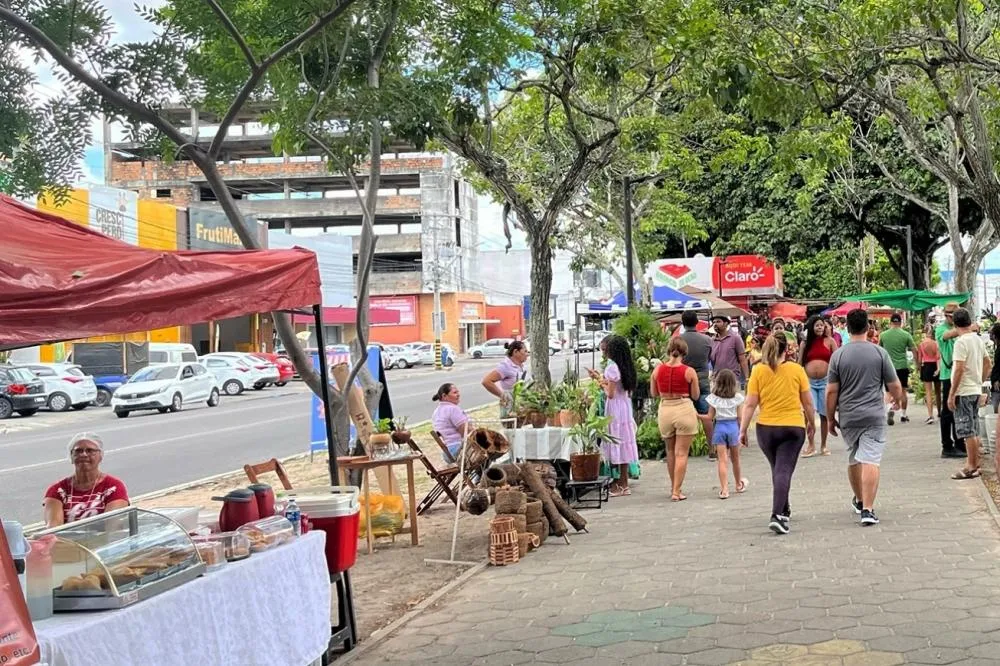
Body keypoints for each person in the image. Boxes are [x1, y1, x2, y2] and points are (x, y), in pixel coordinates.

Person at [826, 308, 903, 527]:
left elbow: (831, 391)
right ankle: (868, 510)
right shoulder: (879, 353)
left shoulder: (838, 355)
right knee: (870, 458)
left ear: (848, 328)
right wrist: (897, 400)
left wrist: (830, 418)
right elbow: (894, 384)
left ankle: (859, 500)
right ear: (868, 328)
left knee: (854, 457)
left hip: (849, 416)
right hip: (873, 415)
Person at [739, 334, 815, 535]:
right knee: (784, 470)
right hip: (792, 427)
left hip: (766, 429)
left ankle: (784, 508)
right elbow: (807, 402)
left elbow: (750, 403)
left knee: (778, 469)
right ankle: (776, 515)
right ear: (786, 350)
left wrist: (743, 429)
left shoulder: (758, 371)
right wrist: (811, 423)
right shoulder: (797, 370)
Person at [652, 337, 701, 502]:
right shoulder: (689, 371)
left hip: (665, 409)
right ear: (684, 352)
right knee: (682, 453)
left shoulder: (657, 370)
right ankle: (676, 490)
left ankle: (674, 486)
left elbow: (654, 393)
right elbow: (695, 395)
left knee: (670, 451)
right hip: (683, 408)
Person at [44, 433, 129, 527]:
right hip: (67, 541)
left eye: (90, 450)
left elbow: (112, 525)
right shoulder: (57, 490)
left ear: (100, 456)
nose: (84, 454)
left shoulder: (114, 487)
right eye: (78, 451)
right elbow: (54, 528)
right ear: (71, 457)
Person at [948, 307, 991, 480]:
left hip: (964, 391)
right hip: (974, 389)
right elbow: (988, 363)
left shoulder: (961, 342)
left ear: (954, 322)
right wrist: (978, 381)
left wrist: (952, 394)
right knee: (973, 428)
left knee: (967, 431)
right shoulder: (977, 339)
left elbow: (958, 369)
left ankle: (971, 466)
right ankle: (975, 463)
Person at [598, 335, 640, 497]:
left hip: (614, 408)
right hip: (625, 406)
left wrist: (601, 383)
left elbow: (610, 393)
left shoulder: (612, 367)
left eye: (604, 350)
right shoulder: (626, 366)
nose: (604, 353)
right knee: (624, 443)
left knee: (615, 442)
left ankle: (619, 484)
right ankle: (624, 482)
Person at [798, 315, 838, 457]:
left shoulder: (831, 341)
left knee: (824, 415)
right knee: (808, 415)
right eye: (817, 325)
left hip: (825, 382)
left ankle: (824, 445)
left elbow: (837, 361)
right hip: (809, 382)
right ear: (811, 327)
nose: (820, 327)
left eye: (822, 325)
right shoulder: (805, 343)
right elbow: (799, 363)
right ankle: (811, 445)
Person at [678, 310, 714, 456]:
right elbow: (712, 359)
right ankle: (712, 447)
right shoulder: (707, 340)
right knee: (706, 414)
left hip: (683, 381)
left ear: (683, 323)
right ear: (697, 322)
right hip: (702, 380)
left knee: (681, 416)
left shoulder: (678, 340)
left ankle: (682, 449)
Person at [707, 369, 747, 499]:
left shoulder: (714, 399)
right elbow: (740, 417)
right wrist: (743, 433)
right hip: (733, 428)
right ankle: (738, 484)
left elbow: (710, 417)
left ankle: (724, 490)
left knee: (722, 461)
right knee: (735, 460)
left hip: (720, 428)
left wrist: (697, 415)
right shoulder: (738, 398)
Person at [936, 303, 968, 459]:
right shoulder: (941, 329)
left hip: (959, 375)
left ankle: (960, 443)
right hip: (948, 374)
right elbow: (946, 336)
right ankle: (946, 446)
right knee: (947, 412)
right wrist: (966, 327)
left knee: (958, 410)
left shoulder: (960, 332)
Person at [879, 313, 918, 425]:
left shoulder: (883, 335)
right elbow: (914, 350)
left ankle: (890, 408)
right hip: (902, 366)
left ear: (891, 322)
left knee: (888, 392)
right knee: (903, 392)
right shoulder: (906, 335)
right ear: (900, 322)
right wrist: (917, 364)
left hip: (888, 367)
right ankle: (903, 415)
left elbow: (879, 349)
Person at [481, 340, 528, 421]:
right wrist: (503, 396)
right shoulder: (505, 366)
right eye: (525, 351)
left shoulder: (520, 366)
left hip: (521, 407)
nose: (527, 354)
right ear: (516, 352)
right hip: (510, 409)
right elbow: (486, 381)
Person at [709, 314, 750, 388]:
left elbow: (742, 359)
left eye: (718, 322)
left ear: (726, 324)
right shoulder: (712, 340)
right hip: (717, 379)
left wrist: (747, 378)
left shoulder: (735, 338)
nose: (715, 324)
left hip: (732, 378)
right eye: (714, 322)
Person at [431, 383, 469, 462]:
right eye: (455, 392)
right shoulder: (452, 409)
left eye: (458, 392)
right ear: (444, 396)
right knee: (487, 452)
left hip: (447, 453)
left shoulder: (436, 412)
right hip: (458, 451)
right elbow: (466, 431)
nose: (458, 395)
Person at [917, 325, 941, 424]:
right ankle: (939, 411)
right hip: (935, 365)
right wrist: (939, 368)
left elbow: (919, 359)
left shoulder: (921, 344)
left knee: (928, 392)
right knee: (938, 391)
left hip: (926, 366)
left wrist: (919, 368)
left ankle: (930, 415)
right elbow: (939, 357)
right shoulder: (936, 343)